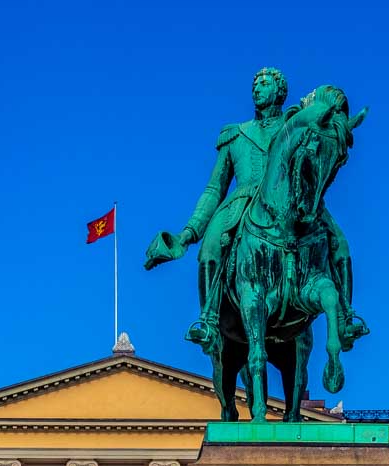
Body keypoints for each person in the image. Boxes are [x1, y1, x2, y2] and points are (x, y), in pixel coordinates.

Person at [145, 67, 365, 356]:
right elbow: (214, 189)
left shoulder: (294, 124)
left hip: (293, 202)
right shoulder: (235, 134)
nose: (257, 88)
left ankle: (346, 316)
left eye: (265, 83)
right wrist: (189, 232)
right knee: (211, 246)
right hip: (242, 202)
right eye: (255, 84)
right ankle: (208, 320)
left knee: (340, 242)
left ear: (280, 91)